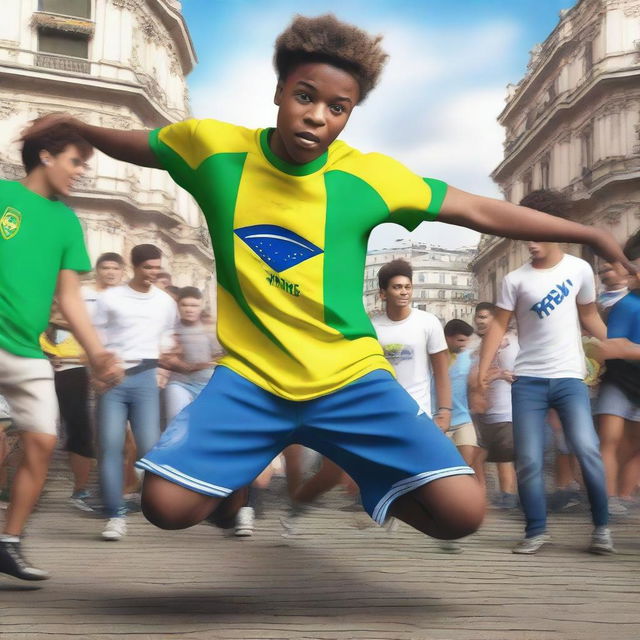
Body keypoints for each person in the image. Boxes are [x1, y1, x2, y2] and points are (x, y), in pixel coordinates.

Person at [22, 15, 632, 548]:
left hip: (349, 380)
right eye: (304, 96)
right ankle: (247, 465)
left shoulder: (370, 179)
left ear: (349, 114)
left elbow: (478, 209)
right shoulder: (210, 149)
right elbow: (137, 144)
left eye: (336, 108)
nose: (316, 116)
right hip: (252, 381)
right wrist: (77, 127)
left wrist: (592, 235)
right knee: (165, 507)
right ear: (280, 92)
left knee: (462, 515)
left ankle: (356, 463)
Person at [0, 125, 122, 581]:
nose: (81, 172)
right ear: (47, 157)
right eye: (75, 161)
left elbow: (70, 299)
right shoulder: (2, 196)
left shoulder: (67, 222)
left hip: (29, 351)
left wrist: (97, 354)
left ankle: (8, 543)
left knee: (42, 442)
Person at [478, 190, 613, 555]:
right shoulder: (514, 280)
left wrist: (618, 348)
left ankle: (601, 527)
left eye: (536, 234)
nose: (530, 243)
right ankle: (536, 530)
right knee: (530, 460)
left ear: (554, 229)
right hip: (528, 383)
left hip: (570, 378)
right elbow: (497, 326)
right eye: (525, 236)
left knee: (588, 449)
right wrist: (483, 368)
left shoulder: (579, 270)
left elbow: (589, 317)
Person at [93, 244, 178, 541]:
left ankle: (155, 504)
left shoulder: (165, 302)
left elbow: (168, 337)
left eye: (157, 267)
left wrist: (165, 368)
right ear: (134, 267)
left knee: (149, 447)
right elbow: (96, 336)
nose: (153, 273)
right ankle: (114, 515)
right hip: (114, 380)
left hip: (146, 378)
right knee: (110, 447)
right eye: (147, 268)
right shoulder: (111, 298)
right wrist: (99, 370)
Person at [373, 259, 451, 426]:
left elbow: (441, 371)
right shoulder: (372, 328)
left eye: (407, 287)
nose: (404, 292)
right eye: (397, 287)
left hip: (419, 413)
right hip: (382, 413)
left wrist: (444, 410)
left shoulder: (428, 322)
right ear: (383, 294)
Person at [594, 230, 640, 511]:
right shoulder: (626, 305)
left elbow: (620, 347)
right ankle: (608, 499)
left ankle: (623, 495)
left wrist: (626, 350)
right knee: (610, 439)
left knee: (634, 445)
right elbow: (612, 346)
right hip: (618, 381)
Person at [40, 300, 96, 511]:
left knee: (80, 433)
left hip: (74, 375)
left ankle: (80, 490)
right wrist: (44, 358)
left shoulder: (83, 326)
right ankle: (32, 487)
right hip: (40, 377)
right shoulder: (37, 323)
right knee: (38, 434)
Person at [470, 303, 518, 510]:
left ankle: (509, 497)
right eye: (477, 317)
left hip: (507, 409)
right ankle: (488, 495)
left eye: (484, 317)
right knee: (484, 455)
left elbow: (517, 373)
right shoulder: (477, 348)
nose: (479, 321)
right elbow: (473, 379)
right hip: (483, 411)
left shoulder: (514, 343)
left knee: (505, 457)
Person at [160, 286, 220, 423]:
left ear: (201, 306)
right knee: (177, 422)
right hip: (180, 384)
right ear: (178, 306)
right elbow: (166, 359)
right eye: (185, 305)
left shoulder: (211, 329)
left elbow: (220, 358)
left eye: (194, 305)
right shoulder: (171, 329)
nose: (189, 309)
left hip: (207, 385)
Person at [441, 320, 479, 467]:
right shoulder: (434, 358)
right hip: (438, 422)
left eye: (466, 341)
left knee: (466, 467)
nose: (464, 344)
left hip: (464, 419)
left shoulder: (470, 356)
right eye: (460, 340)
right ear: (446, 338)